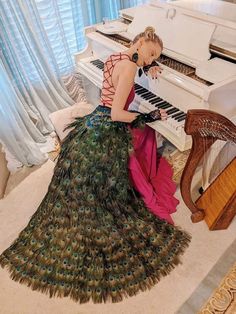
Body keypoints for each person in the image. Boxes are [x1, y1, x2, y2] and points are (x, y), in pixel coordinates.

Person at [0, 26, 191, 304]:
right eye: (150, 55)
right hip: (108, 125)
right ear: (138, 43)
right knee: (146, 131)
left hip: (94, 120)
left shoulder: (117, 57)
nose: (151, 61)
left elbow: (125, 76)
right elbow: (117, 114)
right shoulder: (128, 68)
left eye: (155, 58)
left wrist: (147, 64)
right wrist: (147, 115)